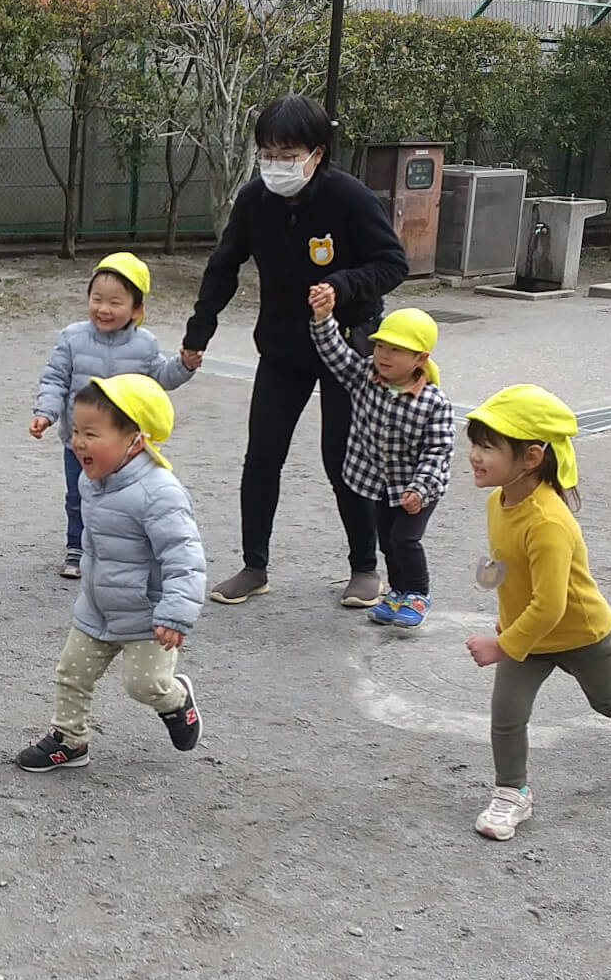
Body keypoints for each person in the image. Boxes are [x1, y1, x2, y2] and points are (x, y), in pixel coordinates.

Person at [182, 94, 410, 610]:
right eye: (268, 152)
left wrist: (343, 286)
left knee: (343, 459)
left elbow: (393, 262)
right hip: (283, 347)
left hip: (348, 349)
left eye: (288, 154)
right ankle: (254, 566)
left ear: (317, 152)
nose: (276, 164)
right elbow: (224, 265)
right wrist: (200, 331)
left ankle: (364, 567)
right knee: (262, 455)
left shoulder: (349, 198)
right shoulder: (255, 200)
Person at [461, 385, 611, 841]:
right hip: (530, 636)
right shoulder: (498, 501)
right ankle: (511, 793)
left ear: (531, 457)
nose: (474, 456)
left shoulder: (548, 521)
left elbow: (551, 603)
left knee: (610, 700)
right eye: (474, 443)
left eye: (488, 446)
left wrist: (502, 644)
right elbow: (513, 570)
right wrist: (508, 618)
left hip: (582, 633)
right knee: (506, 712)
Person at [15, 375, 207, 772]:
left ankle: (176, 701)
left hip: (147, 617)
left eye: (91, 433)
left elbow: (184, 557)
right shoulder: (93, 482)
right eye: (76, 431)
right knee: (71, 674)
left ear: (135, 440)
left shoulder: (160, 493)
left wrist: (175, 612)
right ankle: (70, 740)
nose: (78, 442)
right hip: (98, 606)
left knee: (144, 686)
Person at [31, 252, 196, 578]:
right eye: (97, 299)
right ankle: (77, 547)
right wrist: (46, 413)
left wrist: (185, 365)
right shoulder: (72, 338)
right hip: (80, 439)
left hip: (126, 443)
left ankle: (118, 549)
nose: (103, 309)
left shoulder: (145, 345)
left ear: (137, 309)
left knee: (126, 497)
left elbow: (161, 379)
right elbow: (54, 379)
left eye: (115, 302)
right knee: (78, 495)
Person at [307, 296, 456, 628]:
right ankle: (398, 589)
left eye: (397, 351)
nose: (385, 356)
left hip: (419, 487)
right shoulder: (364, 376)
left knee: (406, 539)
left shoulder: (434, 402)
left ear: (421, 358)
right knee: (388, 539)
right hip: (379, 482)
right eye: (381, 347)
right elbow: (335, 354)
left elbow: (439, 451)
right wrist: (323, 319)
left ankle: (418, 592)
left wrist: (420, 489)